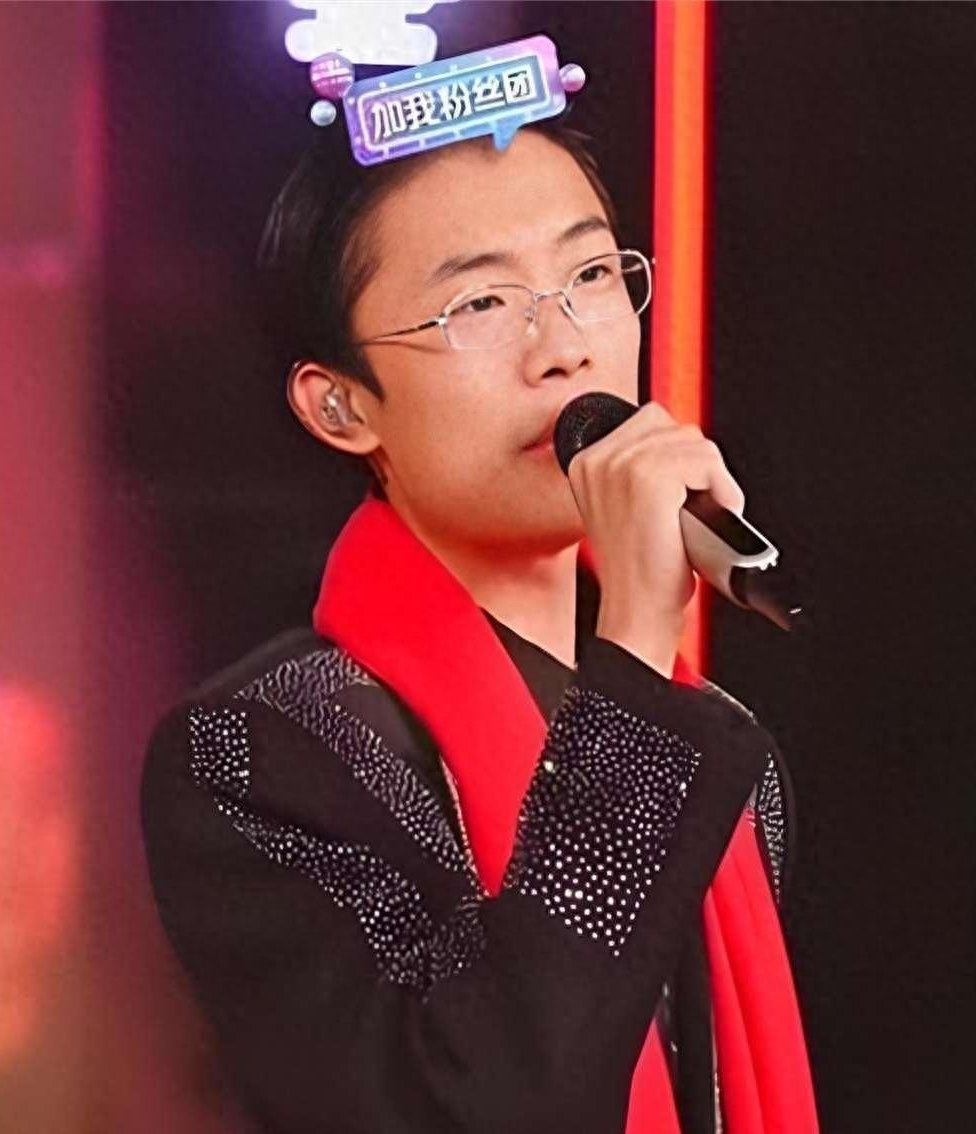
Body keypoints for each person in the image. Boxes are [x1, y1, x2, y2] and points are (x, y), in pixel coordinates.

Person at [141, 111, 817, 1132]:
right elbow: (497, 1098)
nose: (563, 350)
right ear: (339, 406)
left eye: (591, 276)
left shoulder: (720, 751)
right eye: (482, 302)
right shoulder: (258, 754)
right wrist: (636, 642)